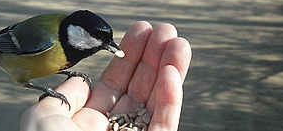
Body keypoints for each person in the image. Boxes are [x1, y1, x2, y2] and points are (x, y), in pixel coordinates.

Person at [20, 21, 192, 131]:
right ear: (76, 30)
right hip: (11, 57)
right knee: (24, 79)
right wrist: (48, 91)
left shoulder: (68, 38)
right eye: (98, 38)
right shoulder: (47, 40)